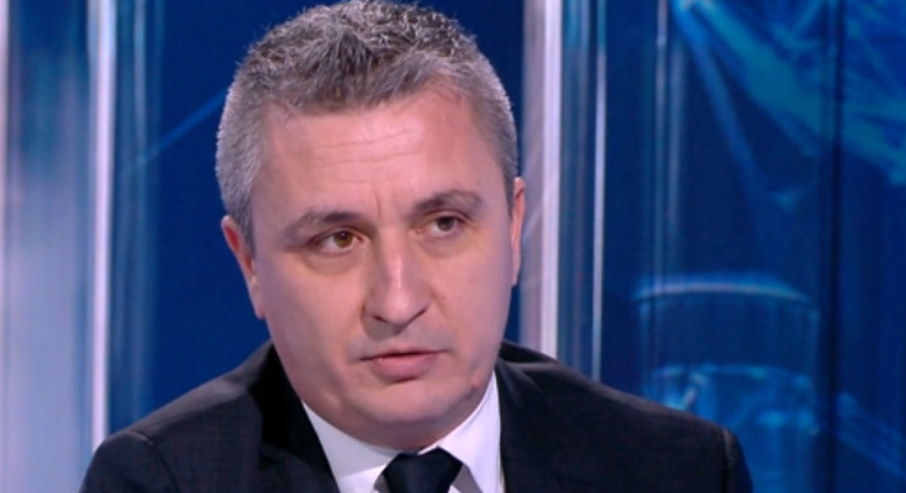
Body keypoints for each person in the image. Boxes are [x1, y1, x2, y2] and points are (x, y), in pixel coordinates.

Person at [80, 1, 753, 492]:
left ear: (513, 227)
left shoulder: (678, 471)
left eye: (443, 224)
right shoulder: (163, 481)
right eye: (338, 239)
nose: (397, 301)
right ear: (249, 263)